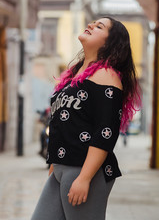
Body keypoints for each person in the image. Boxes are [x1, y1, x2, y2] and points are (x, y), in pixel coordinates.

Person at [31, 17, 141, 220]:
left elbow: (106, 131)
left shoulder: (107, 75)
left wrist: (85, 177)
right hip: (61, 169)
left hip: (85, 170)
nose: (91, 25)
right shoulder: (75, 73)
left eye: (99, 26)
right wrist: (55, 164)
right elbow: (65, 122)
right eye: (92, 23)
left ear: (110, 42)